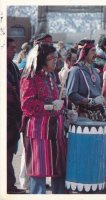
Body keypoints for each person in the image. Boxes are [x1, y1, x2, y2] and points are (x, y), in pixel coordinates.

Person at [20, 43, 66, 194]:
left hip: (55, 132)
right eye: (50, 58)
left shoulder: (52, 76)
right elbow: (27, 104)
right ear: (41, 60)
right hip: (38, 132)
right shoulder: (30, 78)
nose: (55, 61)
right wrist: (51, 106)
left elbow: (57, 100)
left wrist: (63, 110)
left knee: (59, 171)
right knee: (38, 172)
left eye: (55, 57)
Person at [66, 39, 106, 121]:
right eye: (92, 51)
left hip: (98, 115)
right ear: (84, 53)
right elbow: (71, 94)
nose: (95, 54)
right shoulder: (76, 70)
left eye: (95, 51)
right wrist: (91, 101)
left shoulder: (94, 71)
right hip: (83, 116)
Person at [7, 37, 26, 194]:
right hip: (6, 115)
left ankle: (9, 185)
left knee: (10, 151)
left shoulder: (12, 66)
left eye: (15, 47)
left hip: (13, 116)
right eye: (11, 47)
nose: (14, 50)